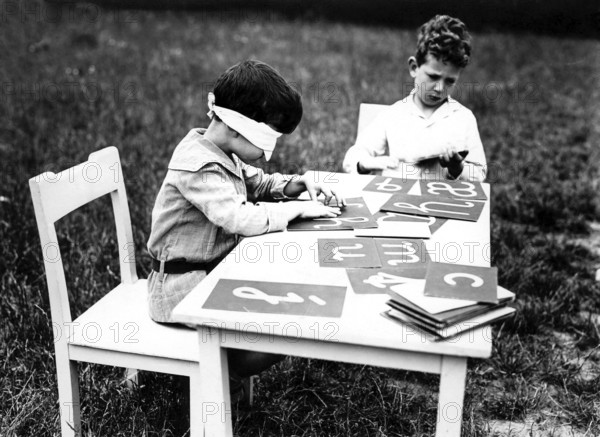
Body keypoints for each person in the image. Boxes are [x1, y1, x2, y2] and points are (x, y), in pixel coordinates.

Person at [147, 60, 345, 382]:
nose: (269, 153)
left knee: (289, 308)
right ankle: (214, 378)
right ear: (238, 125)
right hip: (181, 290)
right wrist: (297, 210)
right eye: (268, 140)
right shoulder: (197, 166)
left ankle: (225, 368)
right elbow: (239, 217)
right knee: (285, 331)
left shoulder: (226, 153)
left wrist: (298, 184)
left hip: (214, 275)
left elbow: (259, 184)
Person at [343, 15, 487, 182]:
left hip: (441, 204)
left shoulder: (463, 118)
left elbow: (479, 175)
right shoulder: (393, 115)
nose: (440, 88)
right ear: (414, 68)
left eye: (450, 81)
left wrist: (457, 168)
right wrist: (364, 164)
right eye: (433, 76)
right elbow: (353, 158)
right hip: (396, 202)